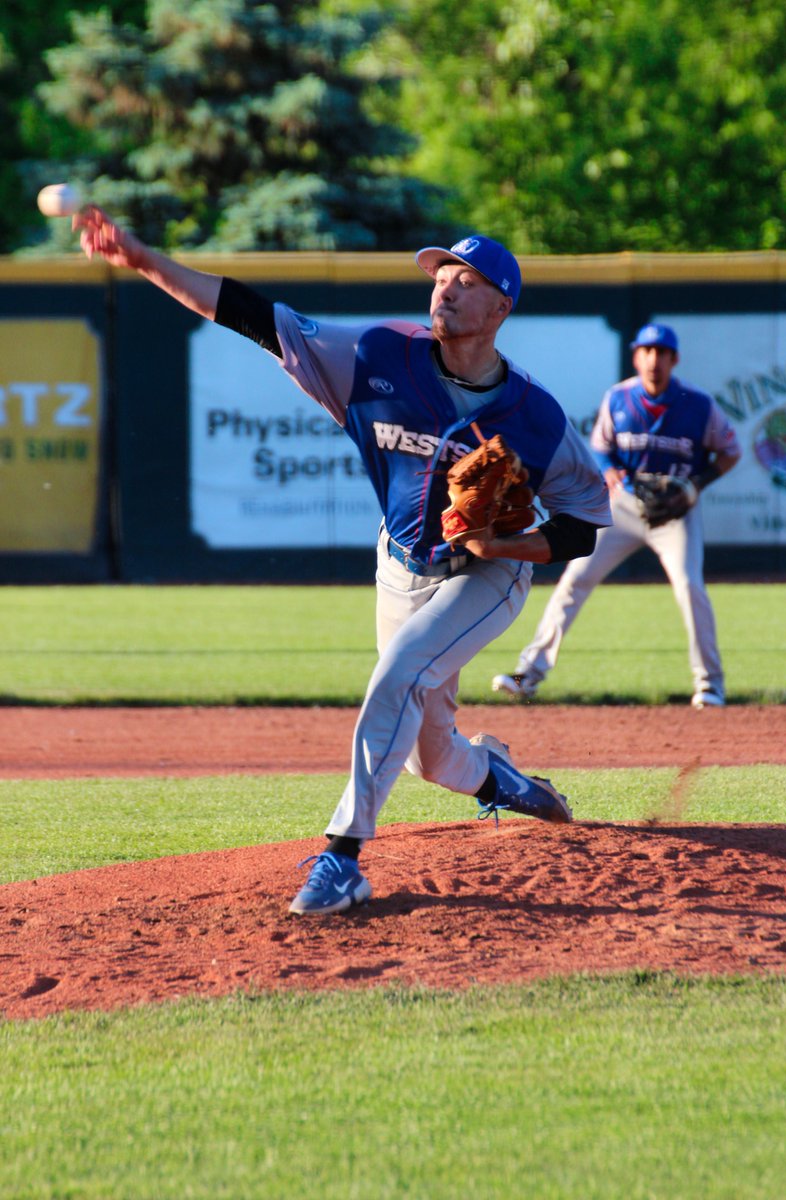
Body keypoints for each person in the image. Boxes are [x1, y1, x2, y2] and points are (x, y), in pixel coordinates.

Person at [75, 210, 611, 914]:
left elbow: (582, 527)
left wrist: (506, 546)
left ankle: (343, 857)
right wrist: (145, 260)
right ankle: (496, 777)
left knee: (397, 674)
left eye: (466, 279)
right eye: (440, 274)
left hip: (486, 578)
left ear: (501, 306)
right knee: (432, 758)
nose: (445, 287)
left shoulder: (536, 416)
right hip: (399, 568)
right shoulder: (376, 355)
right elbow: (252, 315)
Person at [492, 323, 742, 710]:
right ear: (636, 356)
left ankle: (710, 685)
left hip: (675, 508)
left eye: (661, 352)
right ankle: (529, 674)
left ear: (674, 359)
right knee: (575, 579)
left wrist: (694, 486)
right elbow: (601, 447)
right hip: (623, 504)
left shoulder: (698, 403)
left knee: (691, 587)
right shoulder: (619, 398)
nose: (653, 360)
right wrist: (610, 471)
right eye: (646, 351)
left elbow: (730, 451)